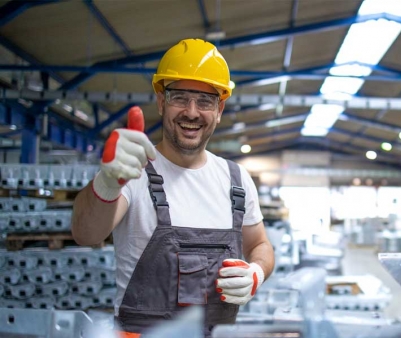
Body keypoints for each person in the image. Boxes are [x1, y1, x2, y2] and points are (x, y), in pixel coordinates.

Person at [71, 38, 275, 337]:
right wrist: (107, 182)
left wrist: (257, 272)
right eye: (180, 97)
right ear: (161, 101)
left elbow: (260, 245)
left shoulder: (237, 179)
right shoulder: (134, 170)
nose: (191, 112)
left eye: (204, 101)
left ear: (219, 109)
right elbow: (85, 233)